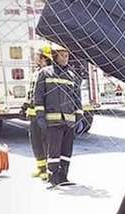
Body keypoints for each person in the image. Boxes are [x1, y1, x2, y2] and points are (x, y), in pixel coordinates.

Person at [33, 42, 84, 188]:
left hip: (69, 121)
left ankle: (64, 177)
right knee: (54, 151)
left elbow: (77, 98)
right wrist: (40, 117)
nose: (65, 58)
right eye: (62, 55)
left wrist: (79, 116)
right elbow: (38, 97)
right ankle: (53, 177)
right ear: (55, 56)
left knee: (66, 151)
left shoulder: (72, 75)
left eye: (67, 55)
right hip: (52, 121)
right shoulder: (45, 73)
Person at [26, 44, 53, 180]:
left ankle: (48, 169)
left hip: (43, 114)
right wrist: (24, 106)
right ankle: (40, 167)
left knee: (45, 142)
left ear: (44, 58)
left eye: (37, 55)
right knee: (35, 141)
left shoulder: (48, 73)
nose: (35, 57)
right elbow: (31, 92)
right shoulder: (36, 72)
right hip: (33, 114)